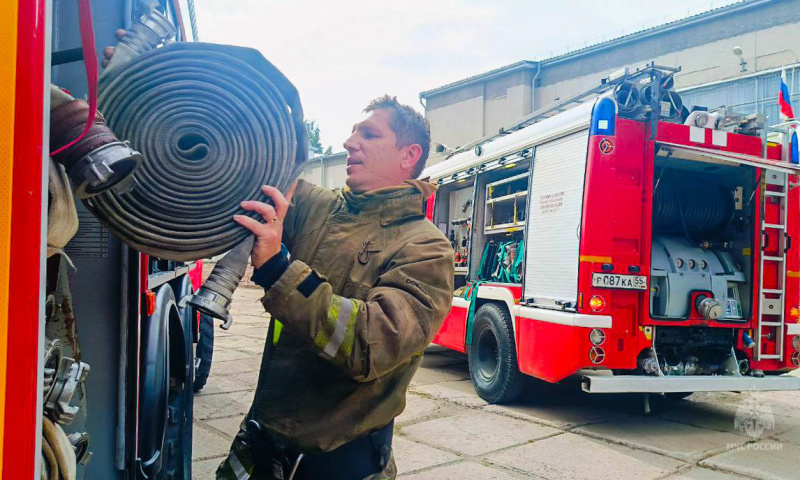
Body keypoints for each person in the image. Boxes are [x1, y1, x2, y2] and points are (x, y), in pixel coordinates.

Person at [217, 95, 455, 480]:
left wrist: (279, 270)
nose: (349, 143)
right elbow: (250, 168)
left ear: (408, 155)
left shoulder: (426, 249)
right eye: (351, 133)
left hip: (339, 467)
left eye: (369, 134)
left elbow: (370, 345)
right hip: (258, 450)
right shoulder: (317, 208)